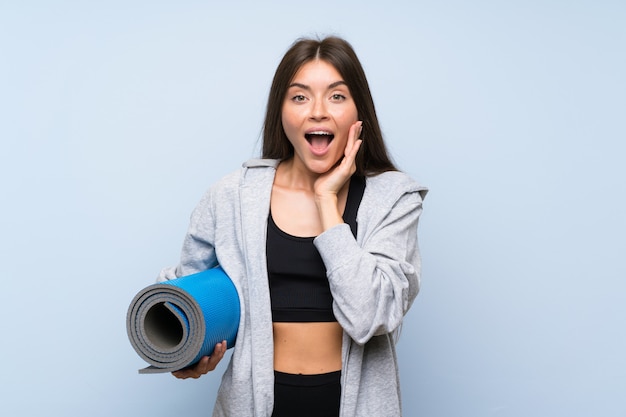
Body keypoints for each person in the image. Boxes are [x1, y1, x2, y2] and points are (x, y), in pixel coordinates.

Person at [157, 35, 428, 417]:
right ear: (281, 112)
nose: (318, 111)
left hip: (354, 405)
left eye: (336, 96)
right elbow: (190, 296)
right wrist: (186, 353)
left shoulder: (393, 199)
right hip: (254, 405)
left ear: (358, 111)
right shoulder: (232, 195)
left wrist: (326, 202)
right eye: (300, 97)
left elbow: (370, 316)